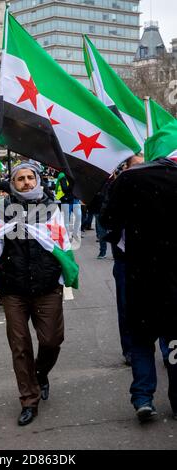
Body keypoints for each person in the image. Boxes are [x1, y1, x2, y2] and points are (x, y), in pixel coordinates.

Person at [0, 163, 79, 426]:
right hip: (13, 288)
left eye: (29, 178)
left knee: (51, 341)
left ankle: (40, 372)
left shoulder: (51, 208)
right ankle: (29, 400)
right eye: (20, 178)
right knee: (20, 346)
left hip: (47, 286)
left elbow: (61, 243)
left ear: (37, 180)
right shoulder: (2, 211)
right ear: (12, 183)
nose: (25, 182)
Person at [101, 123, 177, 423]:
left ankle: (143, 398)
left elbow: (108, 221)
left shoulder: (130, 178)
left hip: (140, 273)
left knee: (142, 340)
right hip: (174, 278)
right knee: (174, 341)